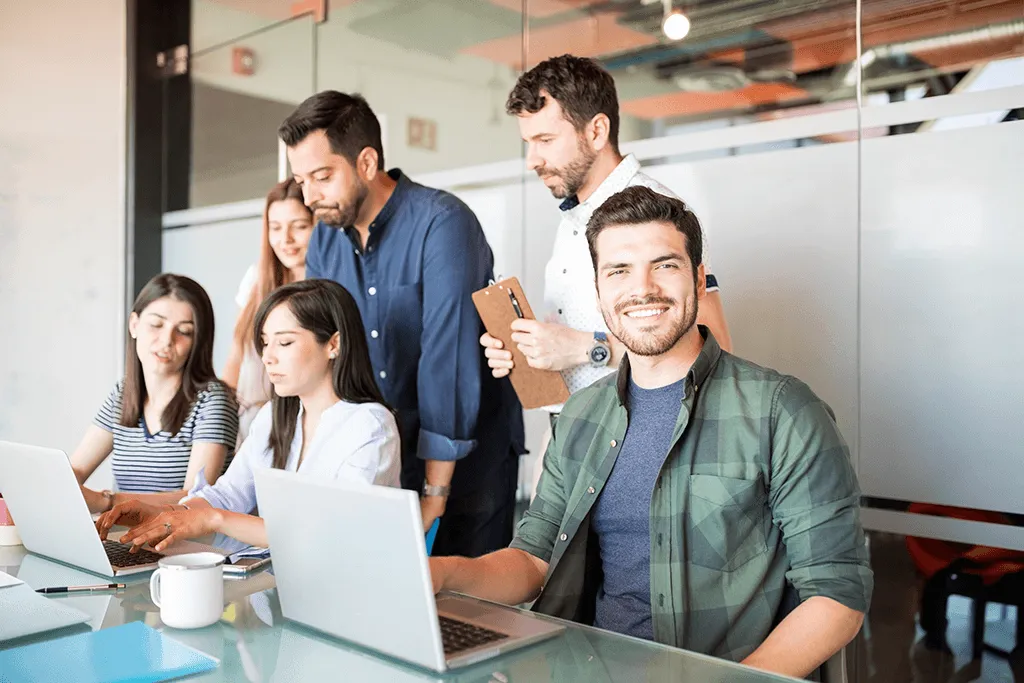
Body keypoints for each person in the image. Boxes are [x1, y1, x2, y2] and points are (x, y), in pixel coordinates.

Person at [430, 186, 873, 680]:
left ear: (700, 281)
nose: (642, 289)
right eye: (618, 271)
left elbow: (836, 595)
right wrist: (444, 573)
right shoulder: (579, 416)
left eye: (664, 265)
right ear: (599, 292)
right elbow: (533, 558)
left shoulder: (783, 411)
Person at [277, 91, 524, 558]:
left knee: (467, 612)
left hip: (466, 457)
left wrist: (434, 492)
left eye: (323, 177)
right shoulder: (325, 245)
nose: (309, 197)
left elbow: (446, 360)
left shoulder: (443, 224)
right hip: (384, 451)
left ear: (366, 162)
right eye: (300, 180)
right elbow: (329, 356)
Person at [481, 54, 732, 405]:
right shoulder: (572, 217)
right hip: (576, 432)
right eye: (529, 143)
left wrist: (582, 348)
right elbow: (574, 358)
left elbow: (714, 346)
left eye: (545, 140)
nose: (532, 160)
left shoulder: (659, 213)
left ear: (597, 131)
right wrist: (534, 350)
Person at [95, 279, 401, 550]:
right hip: (278, 588)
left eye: (284, 342)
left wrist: (214, 519)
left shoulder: (369, 426)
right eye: (265, 343)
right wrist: (169, 515)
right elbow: (229, 494)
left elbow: (329, 534)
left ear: (333, 344)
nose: (268, 357)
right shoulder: (273, 416)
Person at [76, 274, 238, 512]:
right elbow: (76, 470)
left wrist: (108, 502)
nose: (166, 341)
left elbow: (195, 499)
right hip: (124, 538)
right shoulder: (122, 394)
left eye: (183, 331)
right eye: (156, 325)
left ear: (197, 342)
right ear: (134, 325)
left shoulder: (213, 400)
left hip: (181, 544)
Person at [222, 178, 314, 442]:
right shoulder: (256, 279)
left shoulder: (329, 289)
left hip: (298, 427)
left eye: (300, 226)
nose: (286, 239)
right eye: (275, 228)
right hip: (249, 424)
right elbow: (235, 357)